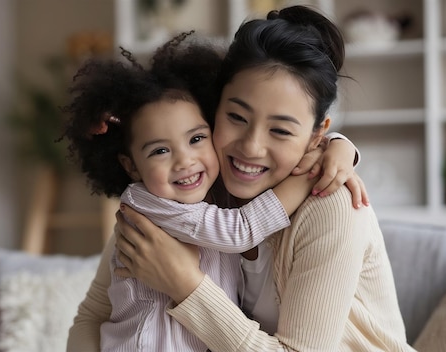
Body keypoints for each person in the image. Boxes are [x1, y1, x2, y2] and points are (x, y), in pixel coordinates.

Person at [72, 5, 415, 352]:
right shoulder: (190, 189)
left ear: (316, 136)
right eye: (236, 116)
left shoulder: (332, 205)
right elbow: (93, 315)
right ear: (214, 108)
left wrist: (186, 285)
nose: (251, 147)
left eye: (280, 130)